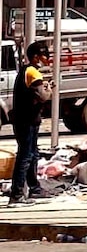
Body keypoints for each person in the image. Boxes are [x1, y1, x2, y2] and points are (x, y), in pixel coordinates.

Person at [8, 42, 53, 204]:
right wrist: (49, 89)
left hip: (27, 120)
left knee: (32, 154)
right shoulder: (33, 73)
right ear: (36, 57)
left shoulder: (26, 71)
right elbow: (43, 96)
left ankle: (34, 188)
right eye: (45, 55)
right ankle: (17, 194)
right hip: (26, 121)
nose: (47, 58)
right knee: (26, 156)